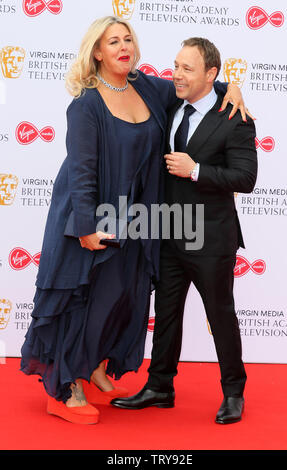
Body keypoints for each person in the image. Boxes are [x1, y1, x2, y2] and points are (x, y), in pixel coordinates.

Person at [20, 17, 247, 425]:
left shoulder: (146, 86)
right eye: (113, 42)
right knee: (81, 298)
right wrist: (86, 226)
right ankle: (65, 388)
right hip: (88, 215)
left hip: (138, 219)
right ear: (97, 52)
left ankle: (93, 368)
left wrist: (231, 87)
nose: (123, 47)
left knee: (117, 296)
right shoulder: (86, 104)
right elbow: (82, 172)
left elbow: (197, 87)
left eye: (128, 39)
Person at [111, 37, 258, 425]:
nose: (176, 74)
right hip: (170, 234)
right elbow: (132, 77)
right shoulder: (172, 101)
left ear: (211, 75)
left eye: (187, 68)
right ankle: (160, 386)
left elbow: (246, 177)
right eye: (175, 65)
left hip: (211, 239)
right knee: (167, 314)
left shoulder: (235, 118)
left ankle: (233, 392)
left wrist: (195, 169)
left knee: (220, 315)